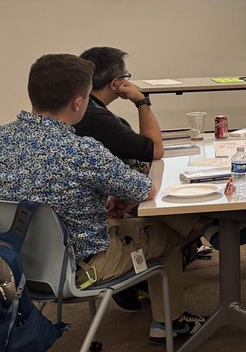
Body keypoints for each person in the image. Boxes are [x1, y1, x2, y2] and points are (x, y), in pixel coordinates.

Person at [0, 54, 206, 345]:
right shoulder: (82, 150)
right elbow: (144, 191)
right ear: (77, 102)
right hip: (80, 267)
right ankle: (171, 323)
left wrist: (106, 193)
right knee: (169, 233)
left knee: (128, 220)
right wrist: (118, 192)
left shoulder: (2, 139)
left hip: (15, 266)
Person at [76, 46, 214, 311]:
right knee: (167, 220)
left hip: (82, 220)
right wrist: (142, 101)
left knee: (152, 198)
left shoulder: (83, 113)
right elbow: (154, 150)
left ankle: (205, 225)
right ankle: (168, 322)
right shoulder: (95, 118)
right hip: (95, 233)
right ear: (117, 83)